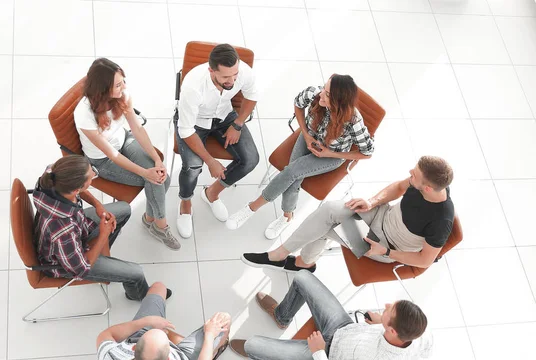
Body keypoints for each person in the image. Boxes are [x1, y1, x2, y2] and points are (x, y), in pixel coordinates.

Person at [229, 271, 432, 360]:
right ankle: (282, 316)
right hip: (344, 329)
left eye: (390, 310)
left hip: (327, 359)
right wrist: (382, 320)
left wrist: (318, 353)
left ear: (393, 332)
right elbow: (426, 348)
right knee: (302, 277)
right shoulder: (421, 332)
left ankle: (255, 353)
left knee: (253, 344)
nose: (386, 305)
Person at [241, 156, 455, 273]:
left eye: (414, 174)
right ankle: (302, 263)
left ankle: (282, 257)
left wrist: (387, 252)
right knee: (328, 210)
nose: (410, 173)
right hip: (379, 215)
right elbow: (397, 188)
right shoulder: (421, 184)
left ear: (427, 188)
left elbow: (425, 261)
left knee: (325, 227)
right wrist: (372, 201)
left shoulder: (441, 220)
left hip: (385, 246)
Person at [227, 75, 374, 238]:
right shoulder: (314, 93)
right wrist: (306, 134)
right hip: (308, 137)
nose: (321, 95)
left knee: (291, 172)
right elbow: (298, 105)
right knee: (293, 176)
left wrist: (329, 153)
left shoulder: (353, 120)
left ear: (339, 103)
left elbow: (367, 152)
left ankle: (251, 208)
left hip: (331, 155)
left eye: (327, 95)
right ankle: (287, 217)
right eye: (324, 89)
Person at [74, 58, 180, 250]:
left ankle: (151, 219)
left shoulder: (122, 95)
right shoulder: (84, 114)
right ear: (103, 89)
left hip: (125, 140)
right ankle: (159, 224)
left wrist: (157, 160)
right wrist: (145, 173)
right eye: (118, 84)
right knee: (157, 180)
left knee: (160, 176)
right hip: (103, 161)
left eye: (123, 81)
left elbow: (137, 129)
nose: (124, 87)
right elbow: (112, 154)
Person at [33, 155, 159, 301]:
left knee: (124, 209)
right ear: (76, 189)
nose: (94, 174)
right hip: (70, 262)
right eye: (90, 177)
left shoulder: (53, 174)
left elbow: (78, 189)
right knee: (136, 273)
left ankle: (101, 258)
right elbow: (81, 269)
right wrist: (103, 235)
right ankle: (139, 295)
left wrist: (97, 205)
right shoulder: (63, 230)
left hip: (78, 228)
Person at [96, 282, 231, 360]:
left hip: (143, 342)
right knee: (224, 319)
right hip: (183, 359)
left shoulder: (108, 356)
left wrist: (146, 321)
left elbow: (107, 334)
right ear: (168, 358)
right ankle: (221, 345)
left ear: (134, 347)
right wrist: (210, 334)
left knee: (158, 287)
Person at [175, 43, 260, 239]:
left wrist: (238, 124)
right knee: (193, 166)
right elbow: (186, 130)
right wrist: (210, 161)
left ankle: (211, 193)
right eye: (225, 77)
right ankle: (186, 203)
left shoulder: (242, 71)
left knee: (251, 159)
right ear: (211, 70)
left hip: (225, 116)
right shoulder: (192, 87)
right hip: (195, 123)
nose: (232, 81)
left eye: (235, 75)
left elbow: (252, 96)